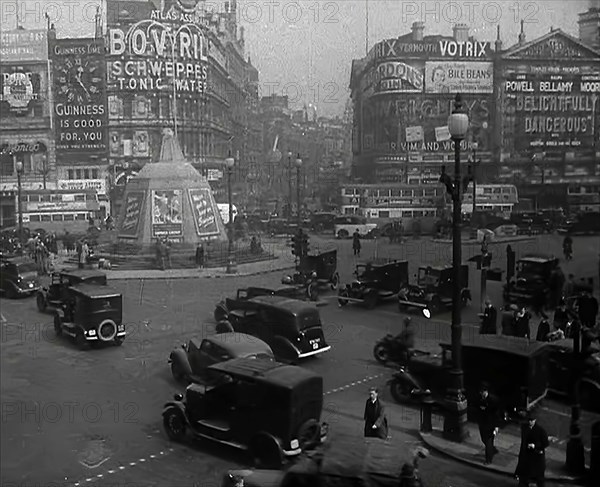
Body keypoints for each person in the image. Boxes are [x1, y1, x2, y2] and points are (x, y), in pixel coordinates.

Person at [515, 411, 549, 487]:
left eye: (532, 420)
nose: (530, 422)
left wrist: (535, 445)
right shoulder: (524, 428)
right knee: (524, 477)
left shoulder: (541, 431)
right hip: (526, 456)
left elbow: (546, 443)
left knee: (538, 478)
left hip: (536, 457)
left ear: (535, 420)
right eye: (529, 420)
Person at [476, 382, 499, 465]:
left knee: (489, 442)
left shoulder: (493, 400)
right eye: (480, 392)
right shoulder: (479, 399)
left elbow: (497, 414)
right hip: (482, 423)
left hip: (490, 424)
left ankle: (488, 459)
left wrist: (496, 426)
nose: (481, 394)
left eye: (483, 392)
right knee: (484, 439)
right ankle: (493, 450)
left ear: (486, 391)